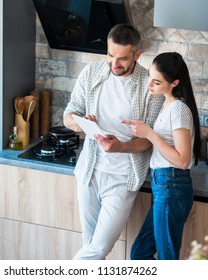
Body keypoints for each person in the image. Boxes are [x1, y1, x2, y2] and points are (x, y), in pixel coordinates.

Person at [63, 23, 164, 260]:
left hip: (122, 177)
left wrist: (121, 146)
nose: (114, 63)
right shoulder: (91, 73)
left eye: (123, 58)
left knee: (98, 249)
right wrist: (82, 122)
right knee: (90, 245)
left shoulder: (150, 85)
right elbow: (68, 115)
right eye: (110, 55)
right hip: (89, 171)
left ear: (137, 55)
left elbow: (148, 141)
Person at [123, 52, 201, 260]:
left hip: (172, 185)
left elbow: (182, 160)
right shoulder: (167, 104)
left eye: (156, 82)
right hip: (164, 185)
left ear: (175, 82)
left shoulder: (178, 109)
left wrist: (149, 133)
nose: (150, 85)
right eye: (150, 77)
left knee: (167, 259)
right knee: (140, 253)